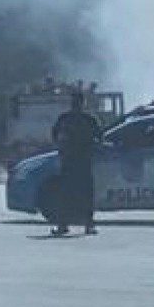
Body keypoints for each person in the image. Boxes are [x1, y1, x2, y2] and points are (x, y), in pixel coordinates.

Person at [49, 89, 99, 236]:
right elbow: (99, 137)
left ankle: (63, 225)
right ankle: (88, 225)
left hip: (69, 161)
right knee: (86, 194)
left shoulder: (64, 119)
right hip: (83, 161)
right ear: (83, 103)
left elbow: (54, 135)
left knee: (65, 194)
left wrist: (62, 148)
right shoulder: (89, 119)